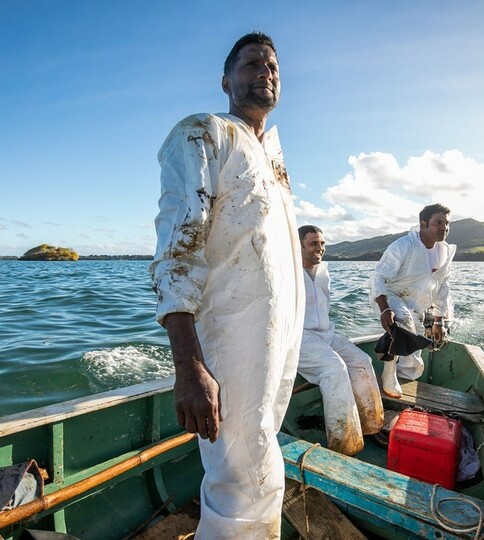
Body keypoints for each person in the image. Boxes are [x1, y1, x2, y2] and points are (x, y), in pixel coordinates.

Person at [150, 32, 304, 539]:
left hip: (277, 344)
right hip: (228, 342)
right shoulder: (204, 133)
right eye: (252, 63)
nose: (266, 71)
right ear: (225, 80)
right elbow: (178, 248)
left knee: (257, 463)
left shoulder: (274, 160)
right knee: (241, 478)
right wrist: (189, 366)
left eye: (273, 66)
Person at [296, 225, 384, 456]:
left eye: (322, 243)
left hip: (326, 332)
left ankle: (372, 426)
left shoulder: (323, 270)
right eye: (313, 243)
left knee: (362, 360)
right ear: (299, 246)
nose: (320, 248)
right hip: (298, 336)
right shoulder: (288, 272)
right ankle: (343, 444)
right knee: (335, 369)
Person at [370, 203, 456, 398]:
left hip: (417, 302)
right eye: (438, 223)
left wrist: (439, 319)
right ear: (423, 223)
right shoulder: (403, 246)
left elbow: (443, 287)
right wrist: (385, 309)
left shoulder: (444, 251)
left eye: (447, 223)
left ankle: (406, 379)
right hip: (389, 295)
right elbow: (378, 277)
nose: (444, 228)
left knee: (416, 343)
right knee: (403, 320)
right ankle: (389, 374)